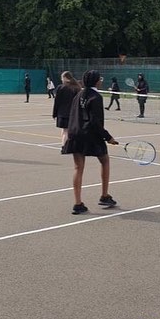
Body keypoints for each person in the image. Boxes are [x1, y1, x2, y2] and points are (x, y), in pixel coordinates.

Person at [61, 70, 118, 215]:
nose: (101, 81)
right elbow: (95, 122)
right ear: (96, 81)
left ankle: (77, 203)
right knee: (105, 160)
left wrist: (71, 132)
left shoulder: (78, 94)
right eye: (100, 79)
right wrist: (108, 137)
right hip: (90, 136)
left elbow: (73, 115)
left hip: (75, 134)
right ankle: (104, 195)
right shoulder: (96, 97)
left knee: (78, 168)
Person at [53, 71, 81, 145]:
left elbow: (57, 102)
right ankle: (67, 145)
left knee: (65, 131)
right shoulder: (76, 88)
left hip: (62, 113)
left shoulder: (61, 87)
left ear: (65, 78)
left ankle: (64, 147)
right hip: (73, 113)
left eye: (62, 78)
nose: (61, 79)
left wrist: (54, 113)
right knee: (67, 131)